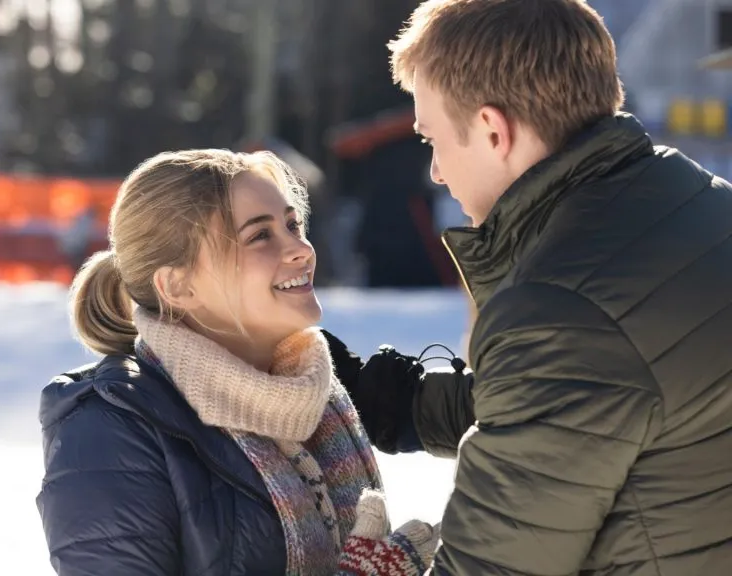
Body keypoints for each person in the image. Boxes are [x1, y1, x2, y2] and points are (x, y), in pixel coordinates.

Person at [337, 0, 732, 573]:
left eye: (432, 141)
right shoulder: (698, 206)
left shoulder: (563, 307)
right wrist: (402, 405)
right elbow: (590, 406)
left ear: (494, 131)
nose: (436, 172)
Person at [35, 148, 455, 576]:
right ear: (177, 286)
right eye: (260, 236)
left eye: (293, 225)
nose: (301, 250)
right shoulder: (111, 429)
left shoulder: (319, 397)